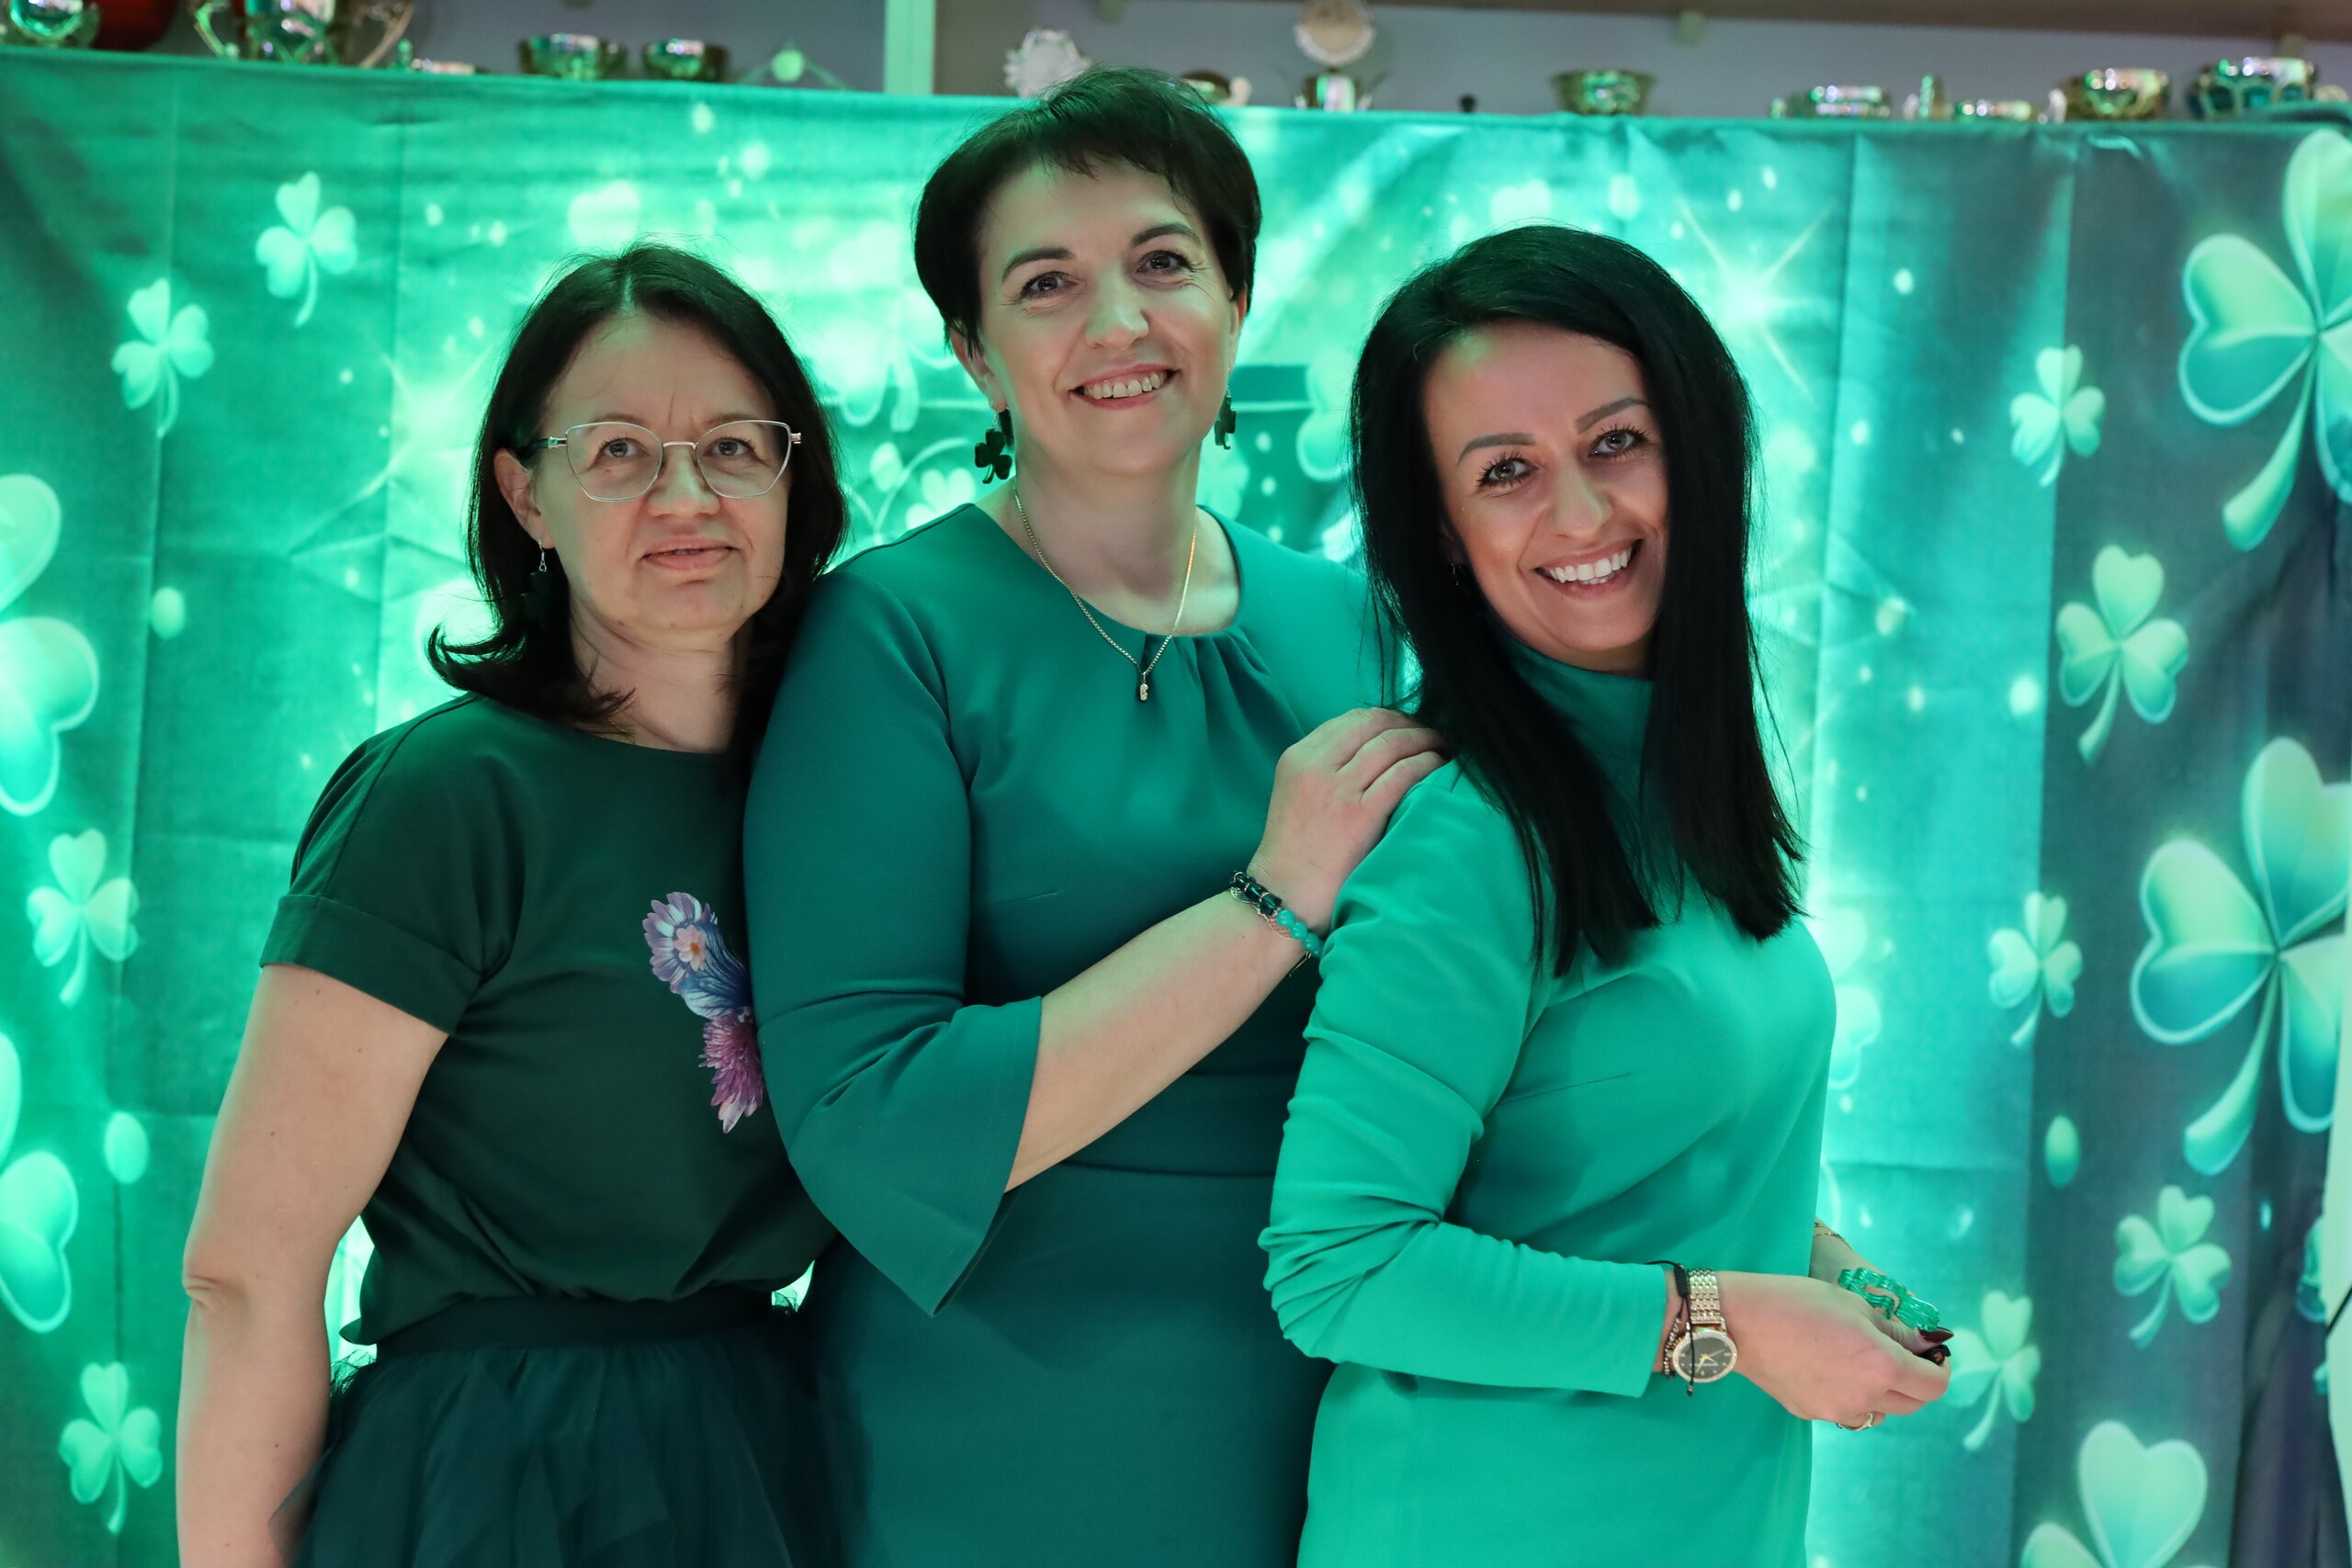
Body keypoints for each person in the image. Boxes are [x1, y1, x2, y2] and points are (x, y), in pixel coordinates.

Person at [742, 68, 1444, 1568]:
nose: (1118, 321)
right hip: (1000, 1426)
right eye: (1047, 283)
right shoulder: (891, 633)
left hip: (1342, 1403)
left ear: (1237, 302)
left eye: (1163, 262)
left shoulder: (1356, 622)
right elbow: (869, 1114)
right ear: (974, 351)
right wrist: (1271, 903)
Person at [1259, 224, 1951, 1568]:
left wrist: (1816, 1270)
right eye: (1506, 472)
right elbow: (1338, 1265)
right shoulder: (1470, 840)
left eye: (1616, 442)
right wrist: (1730, 1323)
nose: (1581, 515)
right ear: (1444, 535)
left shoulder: (1685, 786)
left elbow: (1635, 1172)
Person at [177, 243, 846, 1568]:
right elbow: (247, 1275)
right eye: (617, 453)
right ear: (525, 494)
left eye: (732, 447)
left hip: (769, 1447)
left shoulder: (847, 790)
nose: (686, 495)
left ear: (793, 478)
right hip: (501, 1469)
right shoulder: (448, 797)